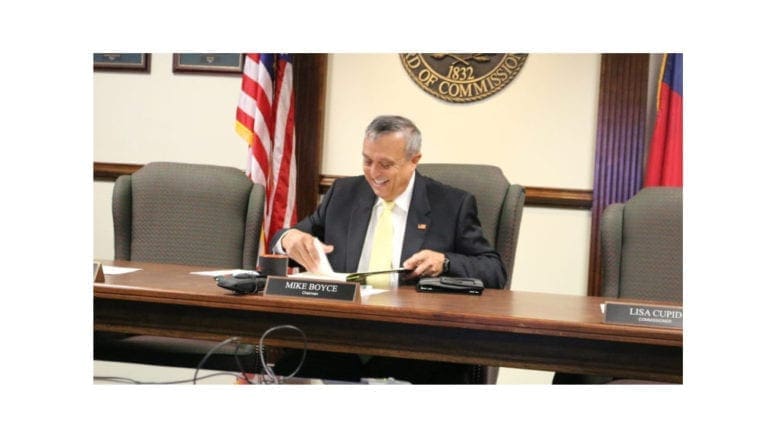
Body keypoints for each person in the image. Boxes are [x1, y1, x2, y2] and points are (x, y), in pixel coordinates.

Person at [270, 115, 506, 383]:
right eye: (367, 161)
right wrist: (288, 238)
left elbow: (494, 270)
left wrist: (445, 262)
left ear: (414, 160)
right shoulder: (344, 193)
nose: (373, 173)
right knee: (281, 372)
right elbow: (287, 236)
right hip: (339, 339)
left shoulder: (452, 205)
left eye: (385, 164)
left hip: (415, 345)